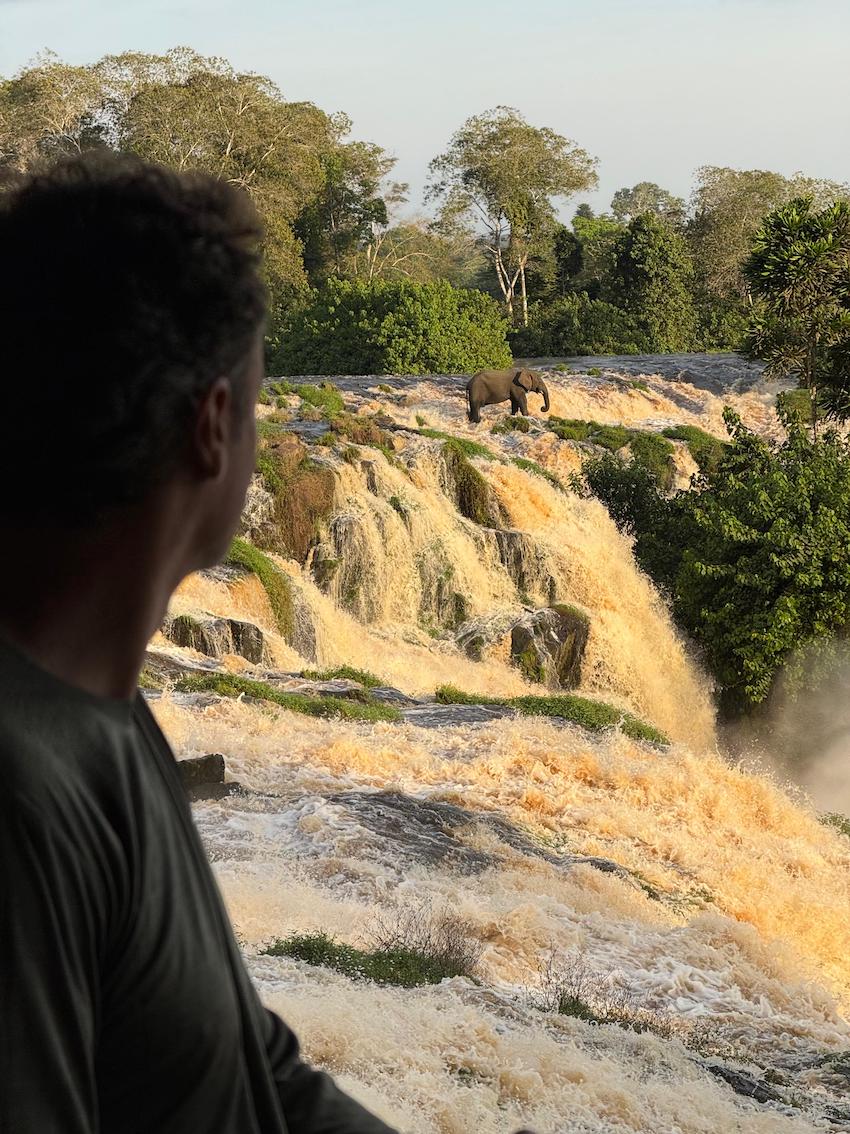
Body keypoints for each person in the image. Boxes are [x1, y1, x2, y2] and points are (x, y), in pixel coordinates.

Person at [0, 155, 397, 1134]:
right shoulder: (22, 798)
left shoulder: (103, 702)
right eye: (255, 406)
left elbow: (241, 1066)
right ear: (213, 428)